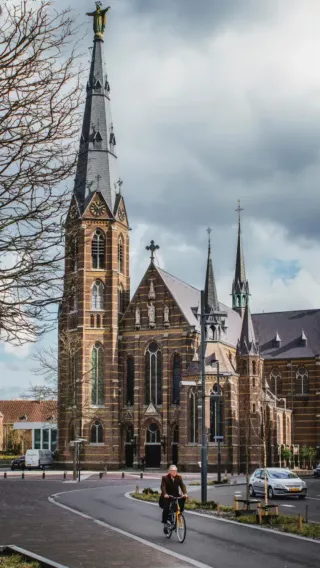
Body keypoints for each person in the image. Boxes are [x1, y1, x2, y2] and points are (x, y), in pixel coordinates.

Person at [160, 465, 188, 534]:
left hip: (175, 495)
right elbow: (163, 487)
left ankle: (179, 513)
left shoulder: (179, 477)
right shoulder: (165, 478)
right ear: (170, 471)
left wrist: (185, 493)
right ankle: (165, 524)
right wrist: (165, 494)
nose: (174, 472)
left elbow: (182, 486)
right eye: (173, 471)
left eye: (175, 471)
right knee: (166, 508)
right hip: (167, 496)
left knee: (183, 498)